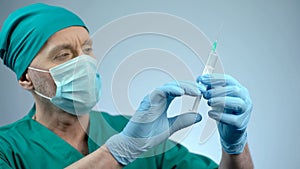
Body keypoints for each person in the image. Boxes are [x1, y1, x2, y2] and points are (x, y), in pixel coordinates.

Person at [0, 3, 253, 169]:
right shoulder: (7, 148)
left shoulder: (140, 132)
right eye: (63, 55)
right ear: (26, 77)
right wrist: (120, 150)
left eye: (87, 49)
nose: (84, 63)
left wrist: (235, 148)